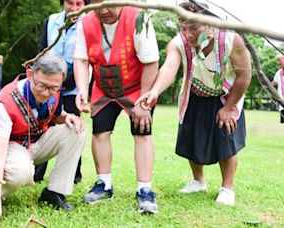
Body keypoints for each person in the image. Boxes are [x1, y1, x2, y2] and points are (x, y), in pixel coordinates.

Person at [136, 2, 251, 206]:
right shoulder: (179, 42)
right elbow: (170, 67)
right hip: (195, 94)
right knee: (193, 139)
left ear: (208, 22)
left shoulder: (230, 39)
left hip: (225, 95)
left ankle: (227, 188)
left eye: (194, 27)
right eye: (183, 27)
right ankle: (198, 181)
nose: (188, 34)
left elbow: (244, 75)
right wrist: (154, 91)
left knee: (226, 140)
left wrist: (228, 107)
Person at [0, 53, 86, 228]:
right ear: (30, 75)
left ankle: (54, 192)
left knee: (77, 131)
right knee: (23, 172)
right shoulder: (6, 101)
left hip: (38, 141)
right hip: (12, 147)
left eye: (53, 88)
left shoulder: (55, 92)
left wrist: (67, 116)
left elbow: (55, 114)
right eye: (42, 85)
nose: (46, 93)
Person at [74, 0, 160, 214]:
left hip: (136, 87)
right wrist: (82, 89)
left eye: (108, 3)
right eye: (95, 4)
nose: (103, 10)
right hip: (104, 87)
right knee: (100, 132)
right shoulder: (84, 22)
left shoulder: (140, 18)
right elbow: (81, 60)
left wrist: (143, 102)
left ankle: (144, 190)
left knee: (142, 133)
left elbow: (151, 62)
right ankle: (104, 184)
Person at [34, 0, 89, 184]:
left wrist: (66, 81)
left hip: (73, 86)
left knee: (73, 127)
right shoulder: (51, 21)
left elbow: (86, 58)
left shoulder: (89, 23)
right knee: (43, 124)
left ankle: (74, 174)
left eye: (79, 4)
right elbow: (42, 50)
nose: (73, 8)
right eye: (69, 3)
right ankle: (37, 172)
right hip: (48, 84)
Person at [272, 55, 284, 123]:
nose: (278, 62)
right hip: (282, 103)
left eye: (279, 60)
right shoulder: (279, 73)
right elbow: (274, 84)